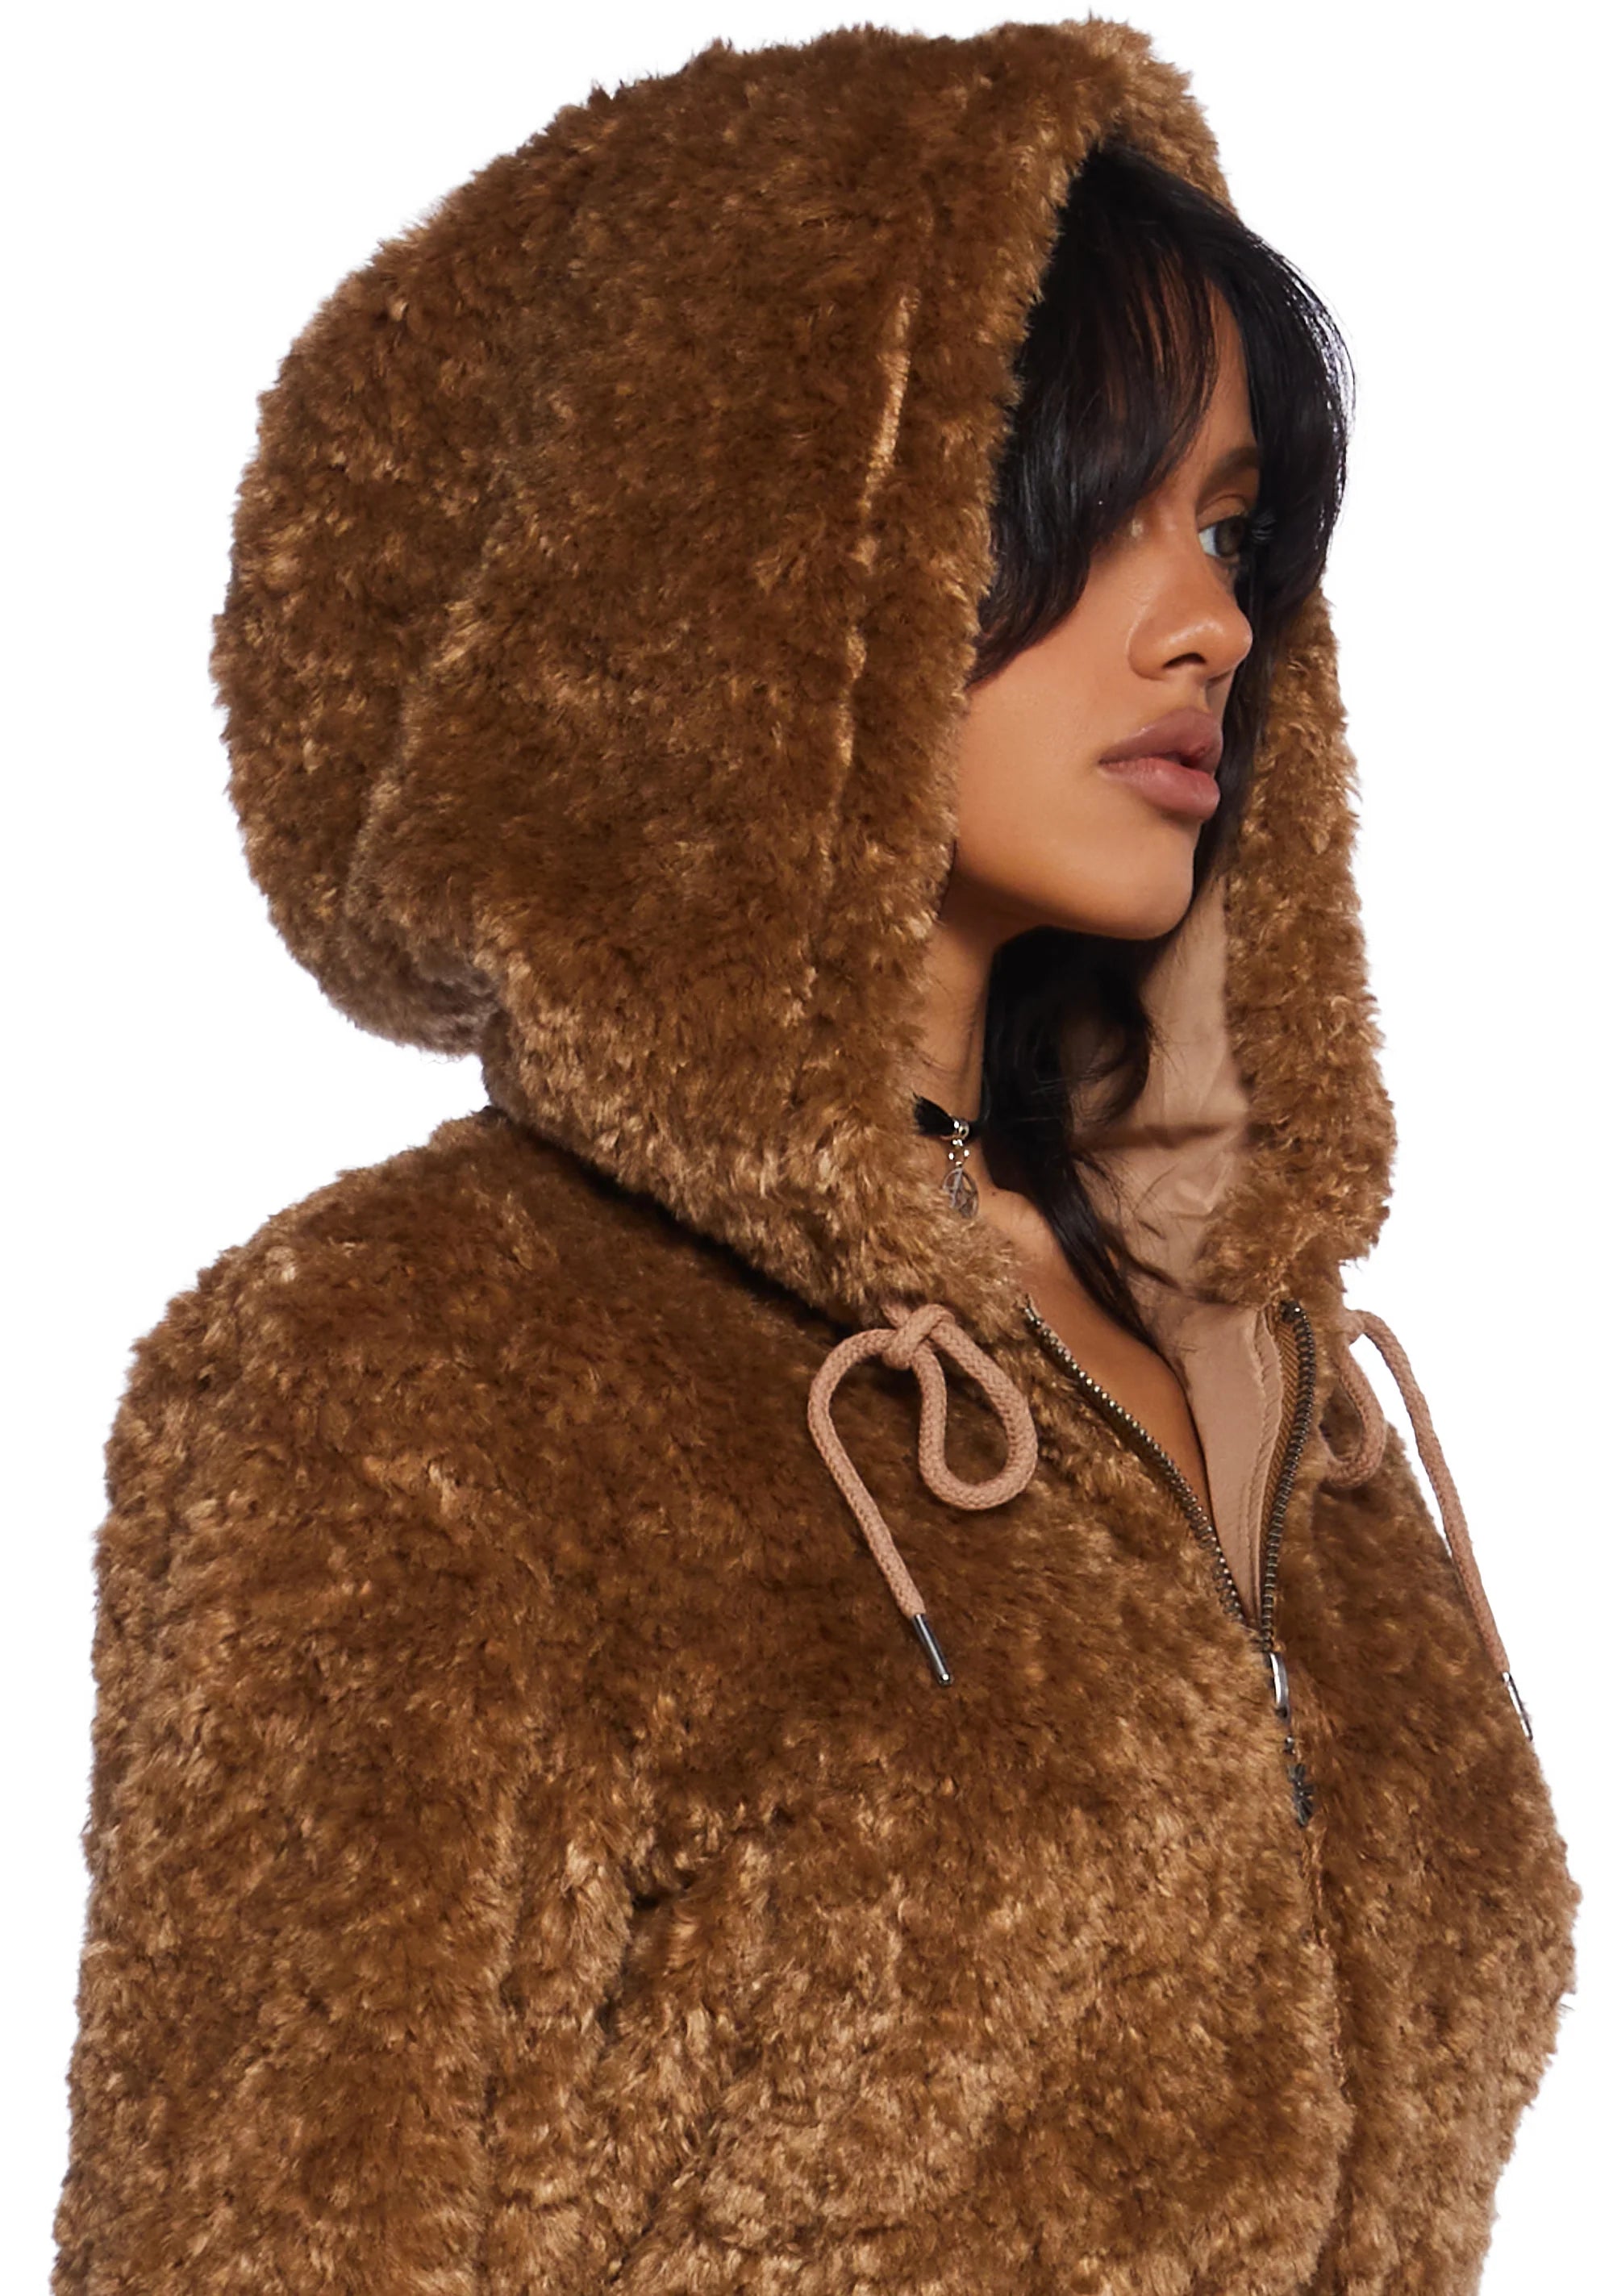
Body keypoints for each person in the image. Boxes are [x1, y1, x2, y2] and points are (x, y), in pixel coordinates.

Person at [52, 19, 1578, 2295]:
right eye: (1080, 497)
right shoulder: (408, 1385)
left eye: (1233, 527)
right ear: (741, 570)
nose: (1209, 623)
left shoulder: (1277, 1377)